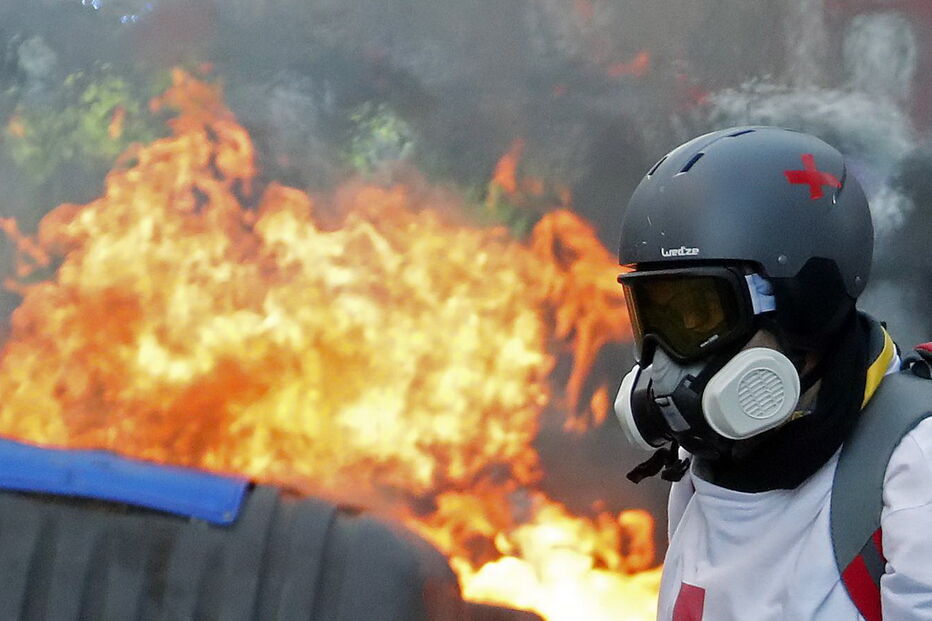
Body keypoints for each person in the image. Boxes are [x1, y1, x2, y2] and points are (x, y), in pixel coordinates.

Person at [613, 126, 932, 620]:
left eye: (698, 315)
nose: (668, 361)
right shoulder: (701, 466)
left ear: (806, 303)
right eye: (655, 318)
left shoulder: (912, 465)